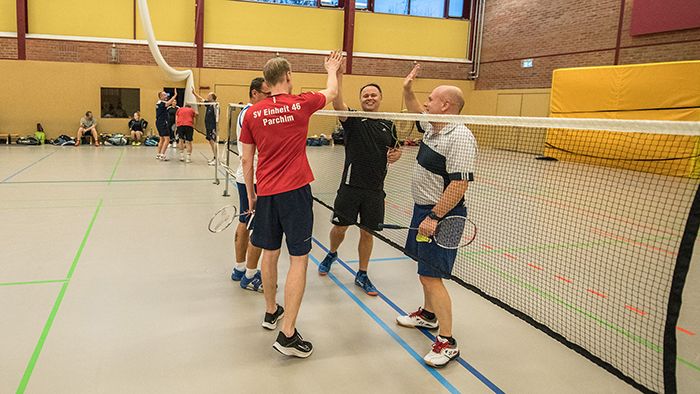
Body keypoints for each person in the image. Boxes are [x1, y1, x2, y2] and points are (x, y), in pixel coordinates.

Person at [239, 51, 342, 358]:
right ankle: (288, 334)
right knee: (299, 258)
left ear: (266, 83)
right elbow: (332, 91)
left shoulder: (253, 113)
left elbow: (246, 159)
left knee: (269, 253)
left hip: (266, 192)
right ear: (288, 77)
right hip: (295, 192)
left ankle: (271, 312)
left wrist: (252, 195)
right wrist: (331, 68)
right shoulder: (302, 102)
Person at [395, 63, 476, 368]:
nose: (426, 103)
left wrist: (435, 216)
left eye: (431, 99)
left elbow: (459, 183)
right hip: (425, 210)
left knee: (432, 275)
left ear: (446, 105)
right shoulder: (434, 126)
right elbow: (415, 107)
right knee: (424, 270)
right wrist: (407, 89)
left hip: (444, 215)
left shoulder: (461, 138)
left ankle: (447, 340)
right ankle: (428, 316)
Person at [317, 81, 402, 296]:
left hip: (375, 190)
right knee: (339, 229)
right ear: (361, 99)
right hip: (350, 187)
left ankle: (362, 273)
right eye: (366, 95)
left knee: (367, 233)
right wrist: (337, 77)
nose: (370, 98)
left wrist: (397, 154)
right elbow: (338, 105)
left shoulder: (389, 124)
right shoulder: (353, 119)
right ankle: (332, 253)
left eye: (374, 94)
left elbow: (395, 147)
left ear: (380, 98)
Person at [231, 77, 270, 292]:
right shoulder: (252, 113)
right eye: (266, 94)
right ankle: (250, 275)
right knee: (259, 227)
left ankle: (239, 269)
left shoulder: (246, 111)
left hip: (245, 176)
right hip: (254, 179)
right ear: (254, 93)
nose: (270, 98)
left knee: (245, 221)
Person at [194, 91, 221, 166]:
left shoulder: (215, 105)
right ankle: (215, 157)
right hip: (208, 127)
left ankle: (217, 159)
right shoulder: (209, 104)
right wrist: (194, 93)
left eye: (209, 96)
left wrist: (217, 127)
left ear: (212, 98)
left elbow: (217, 116)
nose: (207, 97)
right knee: (211, 142)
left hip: (212, 127)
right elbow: (201, 99)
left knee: (213, 142)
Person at [155, 91, 177, 160]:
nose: (166, 96)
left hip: (158, 122)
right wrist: (175, 95)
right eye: (164, 95)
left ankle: (158, 154)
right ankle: (162, 154)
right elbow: (169, 103)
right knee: (167, 139)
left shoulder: (158, 103)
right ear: (161, 97)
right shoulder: (162, 103)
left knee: (161, 139)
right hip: (162, 122)